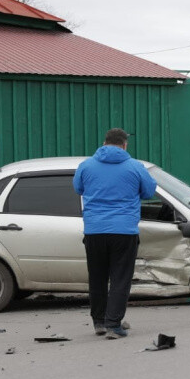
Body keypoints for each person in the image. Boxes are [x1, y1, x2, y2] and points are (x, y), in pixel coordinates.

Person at [73, 128, 156, 339]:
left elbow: (78, 188)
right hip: (123, 230)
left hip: (94, 230)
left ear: (104, 142)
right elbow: (148, 192)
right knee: (120, 278)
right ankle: (113, 324)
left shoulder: (86, 165)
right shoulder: (135, 167)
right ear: (125, 145)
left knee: (98, 277)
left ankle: (99, 322)